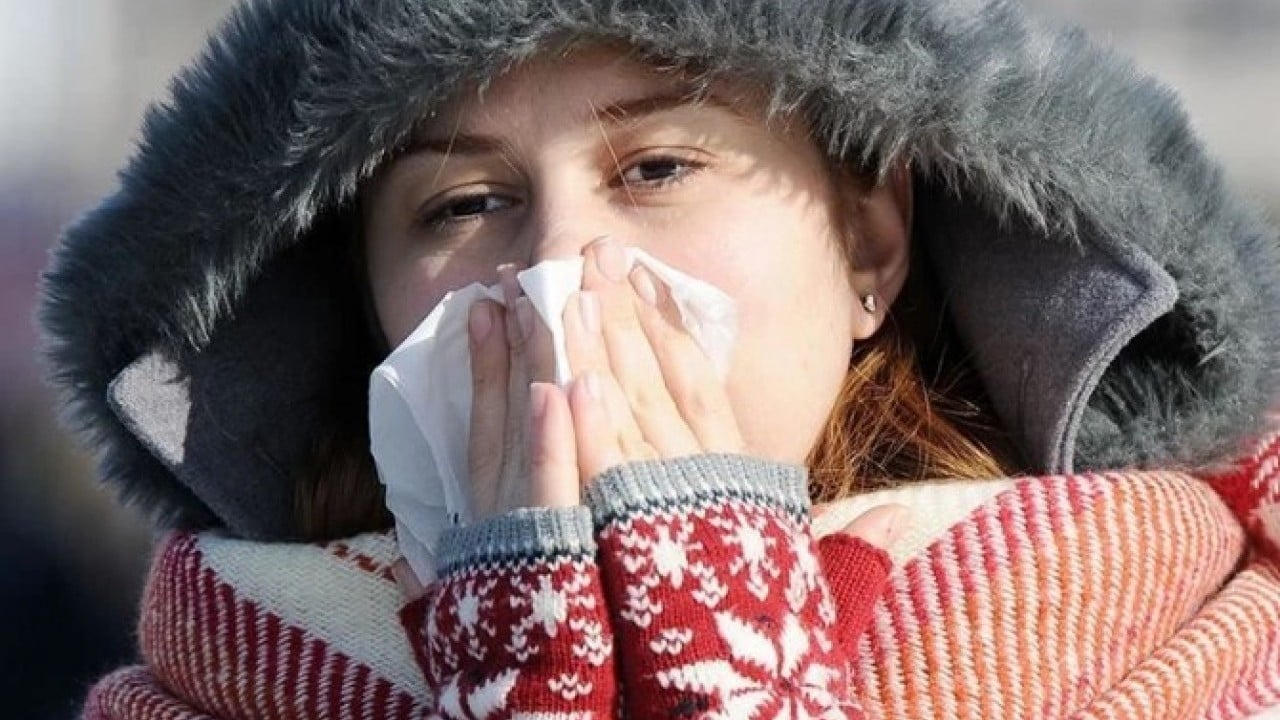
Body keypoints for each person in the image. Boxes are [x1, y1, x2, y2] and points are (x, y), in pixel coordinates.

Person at [39, 1, 1280, 719]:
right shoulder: (219, 678)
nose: (563, 262)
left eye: (655, 169)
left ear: (870, 235)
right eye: (464, 203)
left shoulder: (1206, 651)